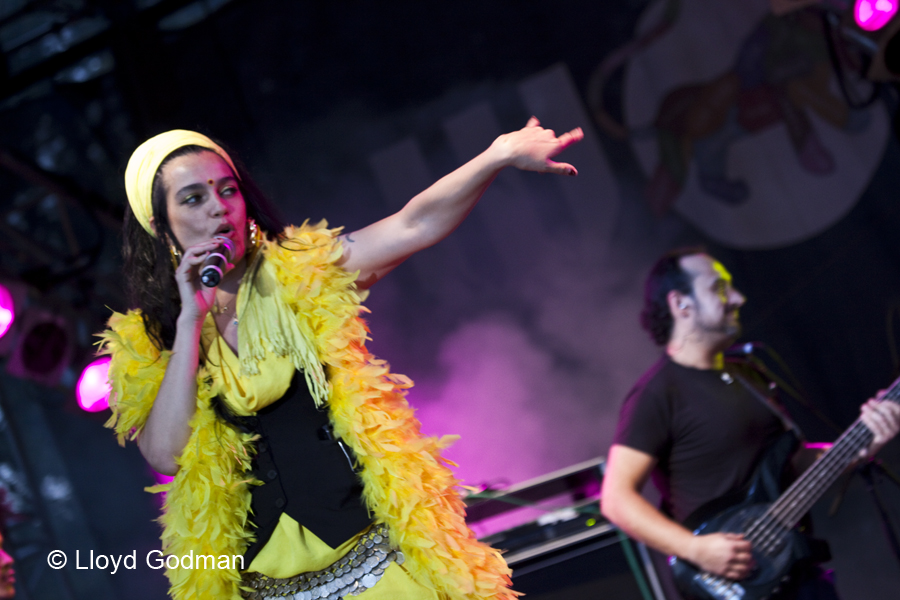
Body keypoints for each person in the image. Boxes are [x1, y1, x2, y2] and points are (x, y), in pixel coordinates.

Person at [100, 120, 582, 600]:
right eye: (192, 199)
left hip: (377, 569)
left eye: (228, 190)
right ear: (158, 225)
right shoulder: (153, 340)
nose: (218, 208)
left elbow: (415, 223)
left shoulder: (299, 273)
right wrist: (190, 322)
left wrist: (496, 155)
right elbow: (167, 454)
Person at [600, 248, 900, 599]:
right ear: (681, 304)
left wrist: (865, 443)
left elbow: (798, 465)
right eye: (720, 289)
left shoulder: (748, 375)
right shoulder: (657, 395)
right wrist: (696, 550)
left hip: (794, 571)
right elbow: (616, 500)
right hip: (733, 583)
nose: (738, 298)